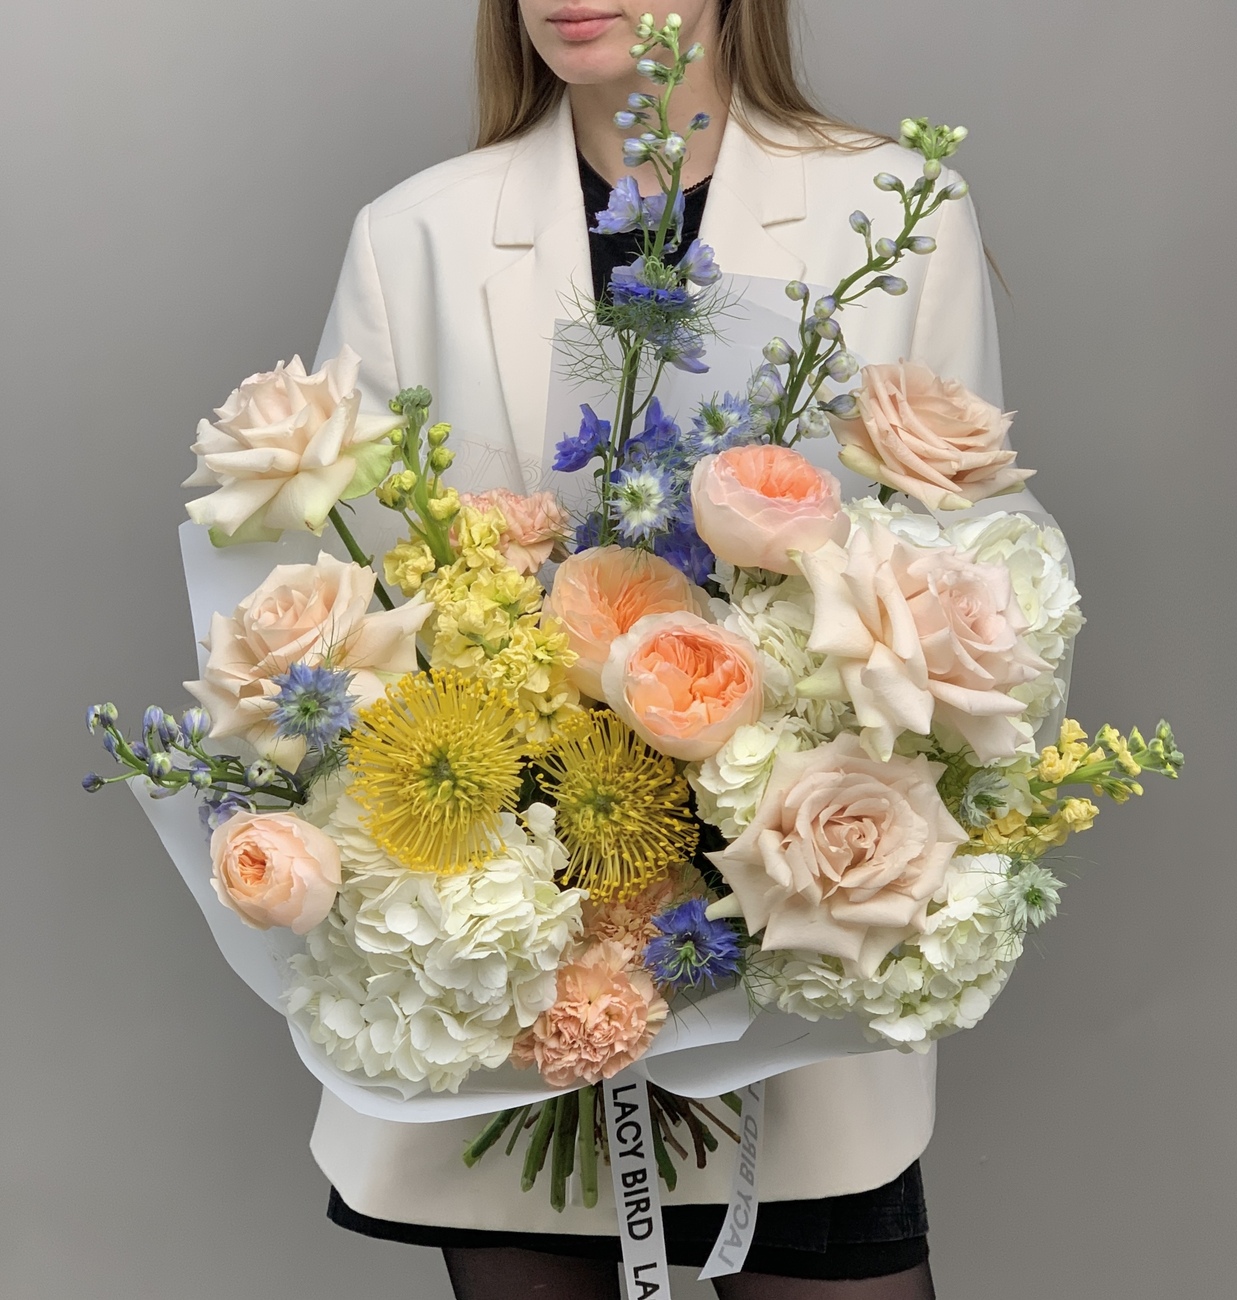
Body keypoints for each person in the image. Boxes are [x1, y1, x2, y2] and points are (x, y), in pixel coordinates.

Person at [313, 3, 1002, 1296]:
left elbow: (958, 584)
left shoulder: (893, 211)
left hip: (785, 939)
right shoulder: (417, 237)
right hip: (519, 975)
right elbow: (356, 612)